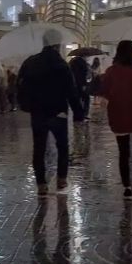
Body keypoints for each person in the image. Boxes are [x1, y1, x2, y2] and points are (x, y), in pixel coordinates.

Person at [18, 29, 87, 196]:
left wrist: (25, 104)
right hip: (58, 112)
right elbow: (71, 91)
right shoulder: (61, 64)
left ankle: (41, 184)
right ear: (58, 44)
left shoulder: (30, 62)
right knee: (62, 146)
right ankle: (61, 180)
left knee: (39, 148)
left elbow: (20, 86)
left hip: (38, 112)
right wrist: (78, 113)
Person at [94, 40, 132, 198]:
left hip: (119, 116)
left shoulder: (112, 71)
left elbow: (104, 92)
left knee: (124, 152)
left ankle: (127, 187)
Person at [69, 52, 93, 118]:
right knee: (86, 98)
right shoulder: (81, 63)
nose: (88, 57)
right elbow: (81, 75)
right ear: (84, 56)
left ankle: (78, 114)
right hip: (80, 84)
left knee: (78, 99)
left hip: (74, 84)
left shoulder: (72, 61)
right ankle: (84, 113)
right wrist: (83, 84)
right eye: (87, 56)